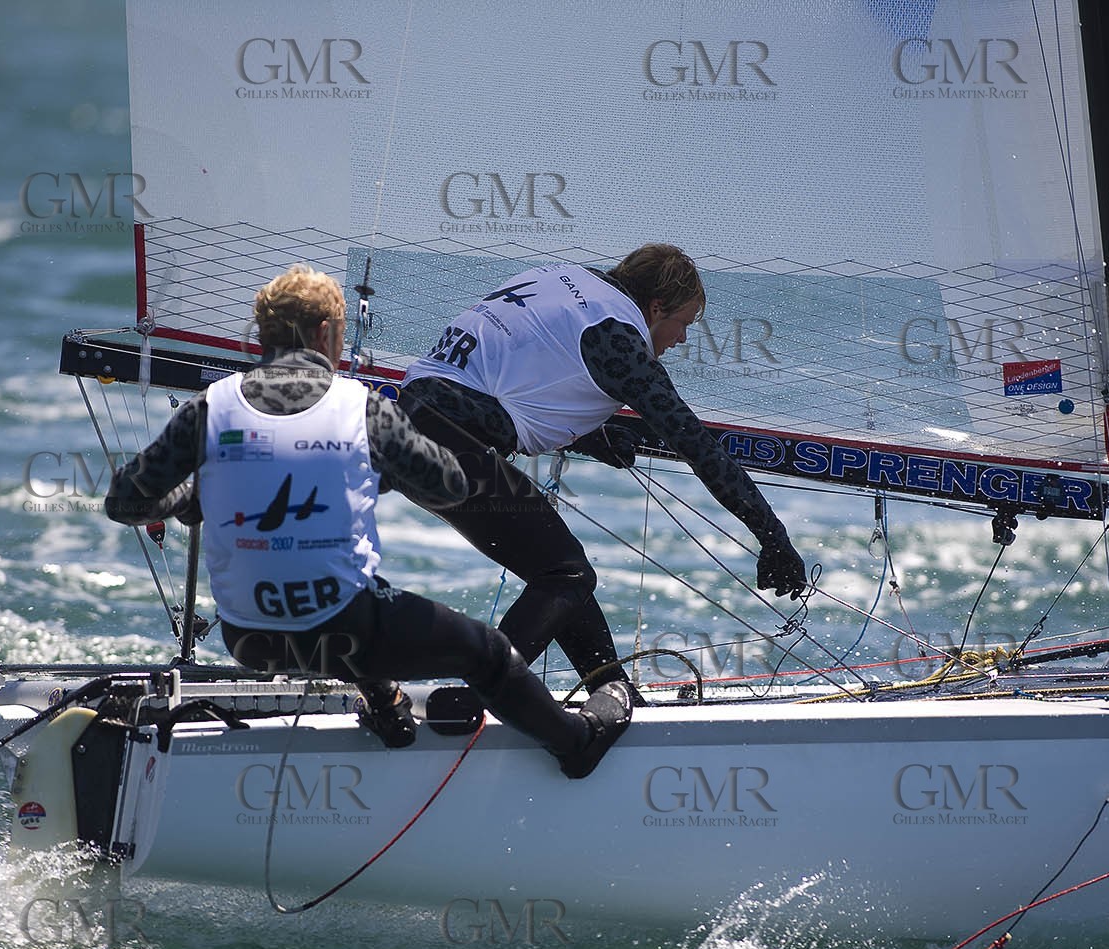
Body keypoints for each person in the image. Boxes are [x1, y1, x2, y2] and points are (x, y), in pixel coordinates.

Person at [104, 264, 631, 779]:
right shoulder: (363, 409)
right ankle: (577, 745)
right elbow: (449, 486)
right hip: (346, 631)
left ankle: (386, 707)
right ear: (328, 333)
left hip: (252, 638)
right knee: (483, 651)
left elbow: (126, 503)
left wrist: (201, 493)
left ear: (261, 335)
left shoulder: (207, 409)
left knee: (349, 589)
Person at [397, 243, 808, 708]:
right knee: (566, 575)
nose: (682, 340)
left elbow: (519, 373)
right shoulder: (616, 338)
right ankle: (476, 698)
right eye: (683, 324)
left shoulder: (564, 279)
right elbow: (698, 446)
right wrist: (772, 536)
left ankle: (611, 690)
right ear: (656, 308)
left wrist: (590, 436)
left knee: (560, 569)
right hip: (450, 440)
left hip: (407, 423)